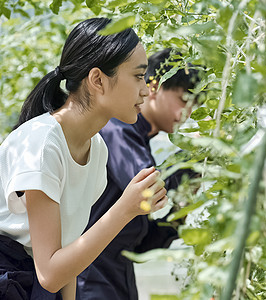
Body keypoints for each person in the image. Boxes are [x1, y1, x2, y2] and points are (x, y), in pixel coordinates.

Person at [0, 18, 168, 300]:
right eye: (139, 76)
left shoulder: (96, 148)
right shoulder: (42, 144)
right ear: (98, 80)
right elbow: (50, 274)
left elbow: (67, 257)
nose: (146, 90)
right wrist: (124, 209)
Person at [77, 48, 200, 300]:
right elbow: (147, 191)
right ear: (153, 87)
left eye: (195, 105)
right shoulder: (117, 129)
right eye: (184, 99)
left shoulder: (139, 140)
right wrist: (196, 157)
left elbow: (142, 246)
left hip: (114, 275)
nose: (187, 113)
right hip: (89, 277)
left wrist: (179, 213)